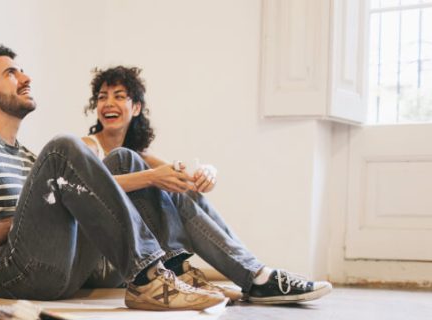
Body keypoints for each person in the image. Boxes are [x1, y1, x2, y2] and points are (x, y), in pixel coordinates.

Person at [0, 45, 226, 311]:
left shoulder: (27, 157)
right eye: (11, 73)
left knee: (123, 159)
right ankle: (149, 278)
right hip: (8, 277)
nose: (26, 78)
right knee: (63, 148)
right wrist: (26, 221)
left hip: (63, 271)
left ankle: (167, 270)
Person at [80, 65, 332, 303]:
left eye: (119, 96)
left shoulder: (142, 157)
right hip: (103, 261)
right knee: (125, 160)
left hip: (134, 257)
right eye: (102, 97)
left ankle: (254, 274)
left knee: (179, 190)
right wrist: (152, 177)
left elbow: (184, 183)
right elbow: (88, 189)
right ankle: (252, 276)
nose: (108, 103)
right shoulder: (90, 146)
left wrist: (207, 173)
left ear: (135, 108)